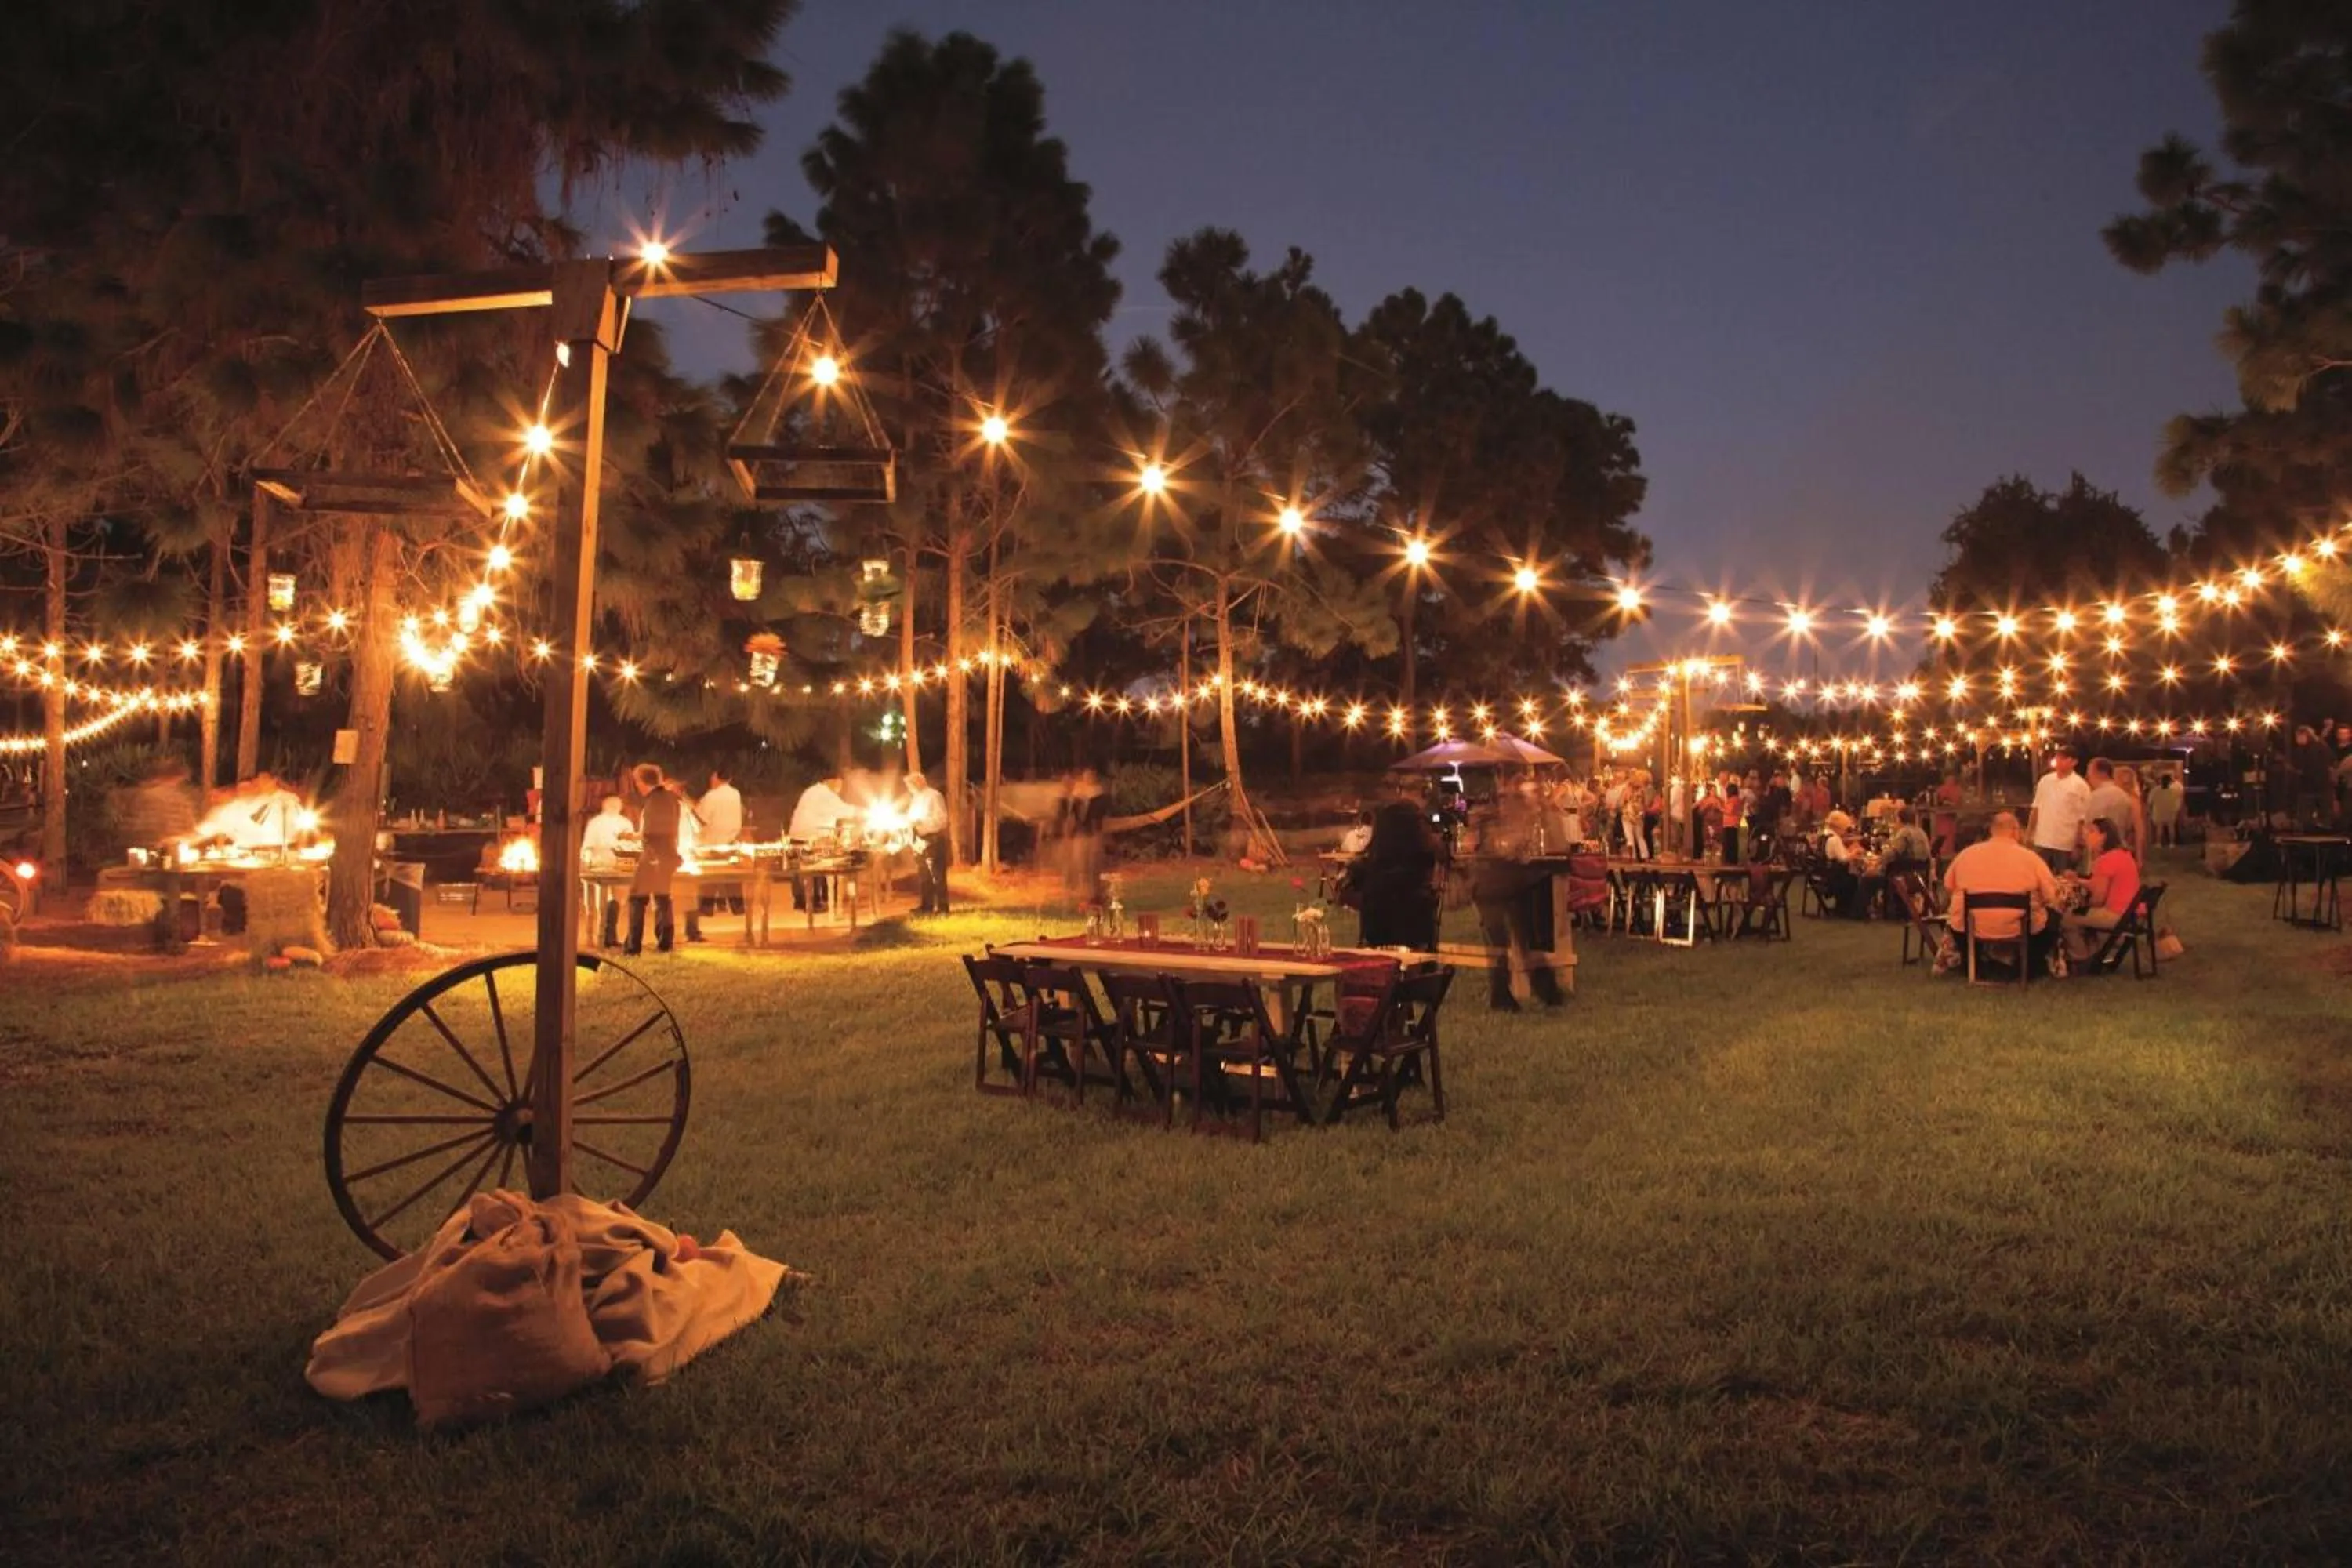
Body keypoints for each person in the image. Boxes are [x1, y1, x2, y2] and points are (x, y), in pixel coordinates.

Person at [1465, 784, 1565, 1011]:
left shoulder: (1508, 819)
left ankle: (1545, 992)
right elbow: (1484, 848)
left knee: (1521, 942)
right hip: (1495, 887)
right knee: (1502, 944)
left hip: (1508, 886)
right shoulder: (1487, 819)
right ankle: (1505, 996)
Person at [1944, 811, 2062, 974]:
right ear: (2015, 831)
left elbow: (1948, 887)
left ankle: (1974, 965)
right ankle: (2029, 966)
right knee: (2053, 918)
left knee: (1957, 919)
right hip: (2020, 927)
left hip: (1971, 927)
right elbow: (2051, 896)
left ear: (1992, 830)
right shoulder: (2031, 858)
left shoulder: (1966, 855)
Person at [1342, 800, 1441, 954]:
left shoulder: (1370, 868)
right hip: (1418, 946)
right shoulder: (1422, 863)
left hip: (1378, 946)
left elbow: (1345, 894)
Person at [624, 762, 685, 955]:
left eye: (637, 782)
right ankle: (665, 943)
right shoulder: (671, 798)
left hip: (653, 856)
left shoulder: (654, 800)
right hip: (669, 855)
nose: (637, 786)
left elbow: (651, 832)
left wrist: (640, 839)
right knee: (662, 897)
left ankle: (633, 946)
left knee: (636, 898)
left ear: (643, 782)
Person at [2061, 817, 2140, 964]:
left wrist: (2083, 907)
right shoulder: (2124, 855)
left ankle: (2081, 958)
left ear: (2104, 836)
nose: (2087, 835)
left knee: (2067, 919)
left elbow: (2098, 899)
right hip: (2131, 914)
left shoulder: (2106, 860)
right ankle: (2093, 955)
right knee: (2080, 915)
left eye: (2092, 832)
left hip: (2115, 915)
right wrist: (2078, 880)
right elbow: (2101, 884)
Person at [789, 775, 852, 912]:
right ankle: (812, 903)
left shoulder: (813, 791)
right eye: (840, 784)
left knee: (800, 871)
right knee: (814, 870)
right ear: (832, 781)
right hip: (810, 838)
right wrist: (868, 813)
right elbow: (844, 811)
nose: (840, 788)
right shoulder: (825, 794)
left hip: (799, 836)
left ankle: (801, 901)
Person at [579, 794, 633, 947]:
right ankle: (591, 936)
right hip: (598, 866)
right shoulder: (595, 823)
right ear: (605, 805)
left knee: (617, 902)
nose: (614, 807)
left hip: (619, 866)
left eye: (617, 804)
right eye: (611, 804)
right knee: (595, 906)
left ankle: (608, 936)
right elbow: (588, 846)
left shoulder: (625, 823)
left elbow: (630, 846)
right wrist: (587, 862)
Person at [2026, 746, 2091, 873]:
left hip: (2065, 843)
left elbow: (2083, 818)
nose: (2059, 761)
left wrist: (2078, 844)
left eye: (2064, 759)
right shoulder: (2045, 781)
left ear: (2074, 762)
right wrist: (2029, 833)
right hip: (2042, 840)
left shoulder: (2080, 785)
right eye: (2058, 758)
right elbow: (2036, 808)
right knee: (2038, 875)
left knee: (2064, 877)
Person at [905, 769, 950, 915]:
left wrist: (922, 822)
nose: (909, 789)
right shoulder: (915, 800)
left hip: (933, 839)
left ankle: (942, 907)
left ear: (918, 783)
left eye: (910, 786)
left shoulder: (934, 796)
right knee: (924, 875)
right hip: (919, 840)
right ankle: (926, 906)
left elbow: (942, 820)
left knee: (937, 875)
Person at [2292, 724, 2337, 828]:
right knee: (2325, 816)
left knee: (2306, 817)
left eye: (2298, 736)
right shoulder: (2322, 746)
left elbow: (2303, 767)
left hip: (2311, 787)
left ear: (2305, 735)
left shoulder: (2308, 750)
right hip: (2321, 786)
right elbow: (2332, 761)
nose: (2297, 739)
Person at [2111, 764, 2151, 862]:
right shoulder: (2115, 797)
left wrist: (2139, 856)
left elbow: (2138, 828)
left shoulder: (2132, 800)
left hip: (2126, 844)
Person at [2148, 769, 2185, 848]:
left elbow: (2150, 801)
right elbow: (2178, 800)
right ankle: (2172, 843)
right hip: (2170, 811)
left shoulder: (2155, 790)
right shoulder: (2174, 790)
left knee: (2159, 828)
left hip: (2158, 811)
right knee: (2171, 827)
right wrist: (2176, 809)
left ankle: (2158, 843)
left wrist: (2150, 811)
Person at [1932, 771, 1964, 860]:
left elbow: (1961, 801)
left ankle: (1947, 855)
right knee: (1944, 837)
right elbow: (1940, 801)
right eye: (1949, 777)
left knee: (1950, 837)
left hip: (1951, 818)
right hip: (1943, 818)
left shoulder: (1958, 789)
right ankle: (1942, 855)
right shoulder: (1942, 789)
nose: (1950, 779)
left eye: (1952, 777)